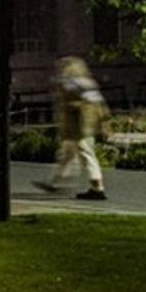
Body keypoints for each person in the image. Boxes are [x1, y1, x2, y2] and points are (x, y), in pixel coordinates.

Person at [36, 56, 108, 201]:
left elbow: (80, 104)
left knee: (86, 155)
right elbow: (99, 105)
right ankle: (55, 182)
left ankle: (97, 187)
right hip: (80, 128)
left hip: (79, 128)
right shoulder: (84, 82)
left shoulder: (74, 83)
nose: (60, 70)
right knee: (67, 155)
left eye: (63, 66)